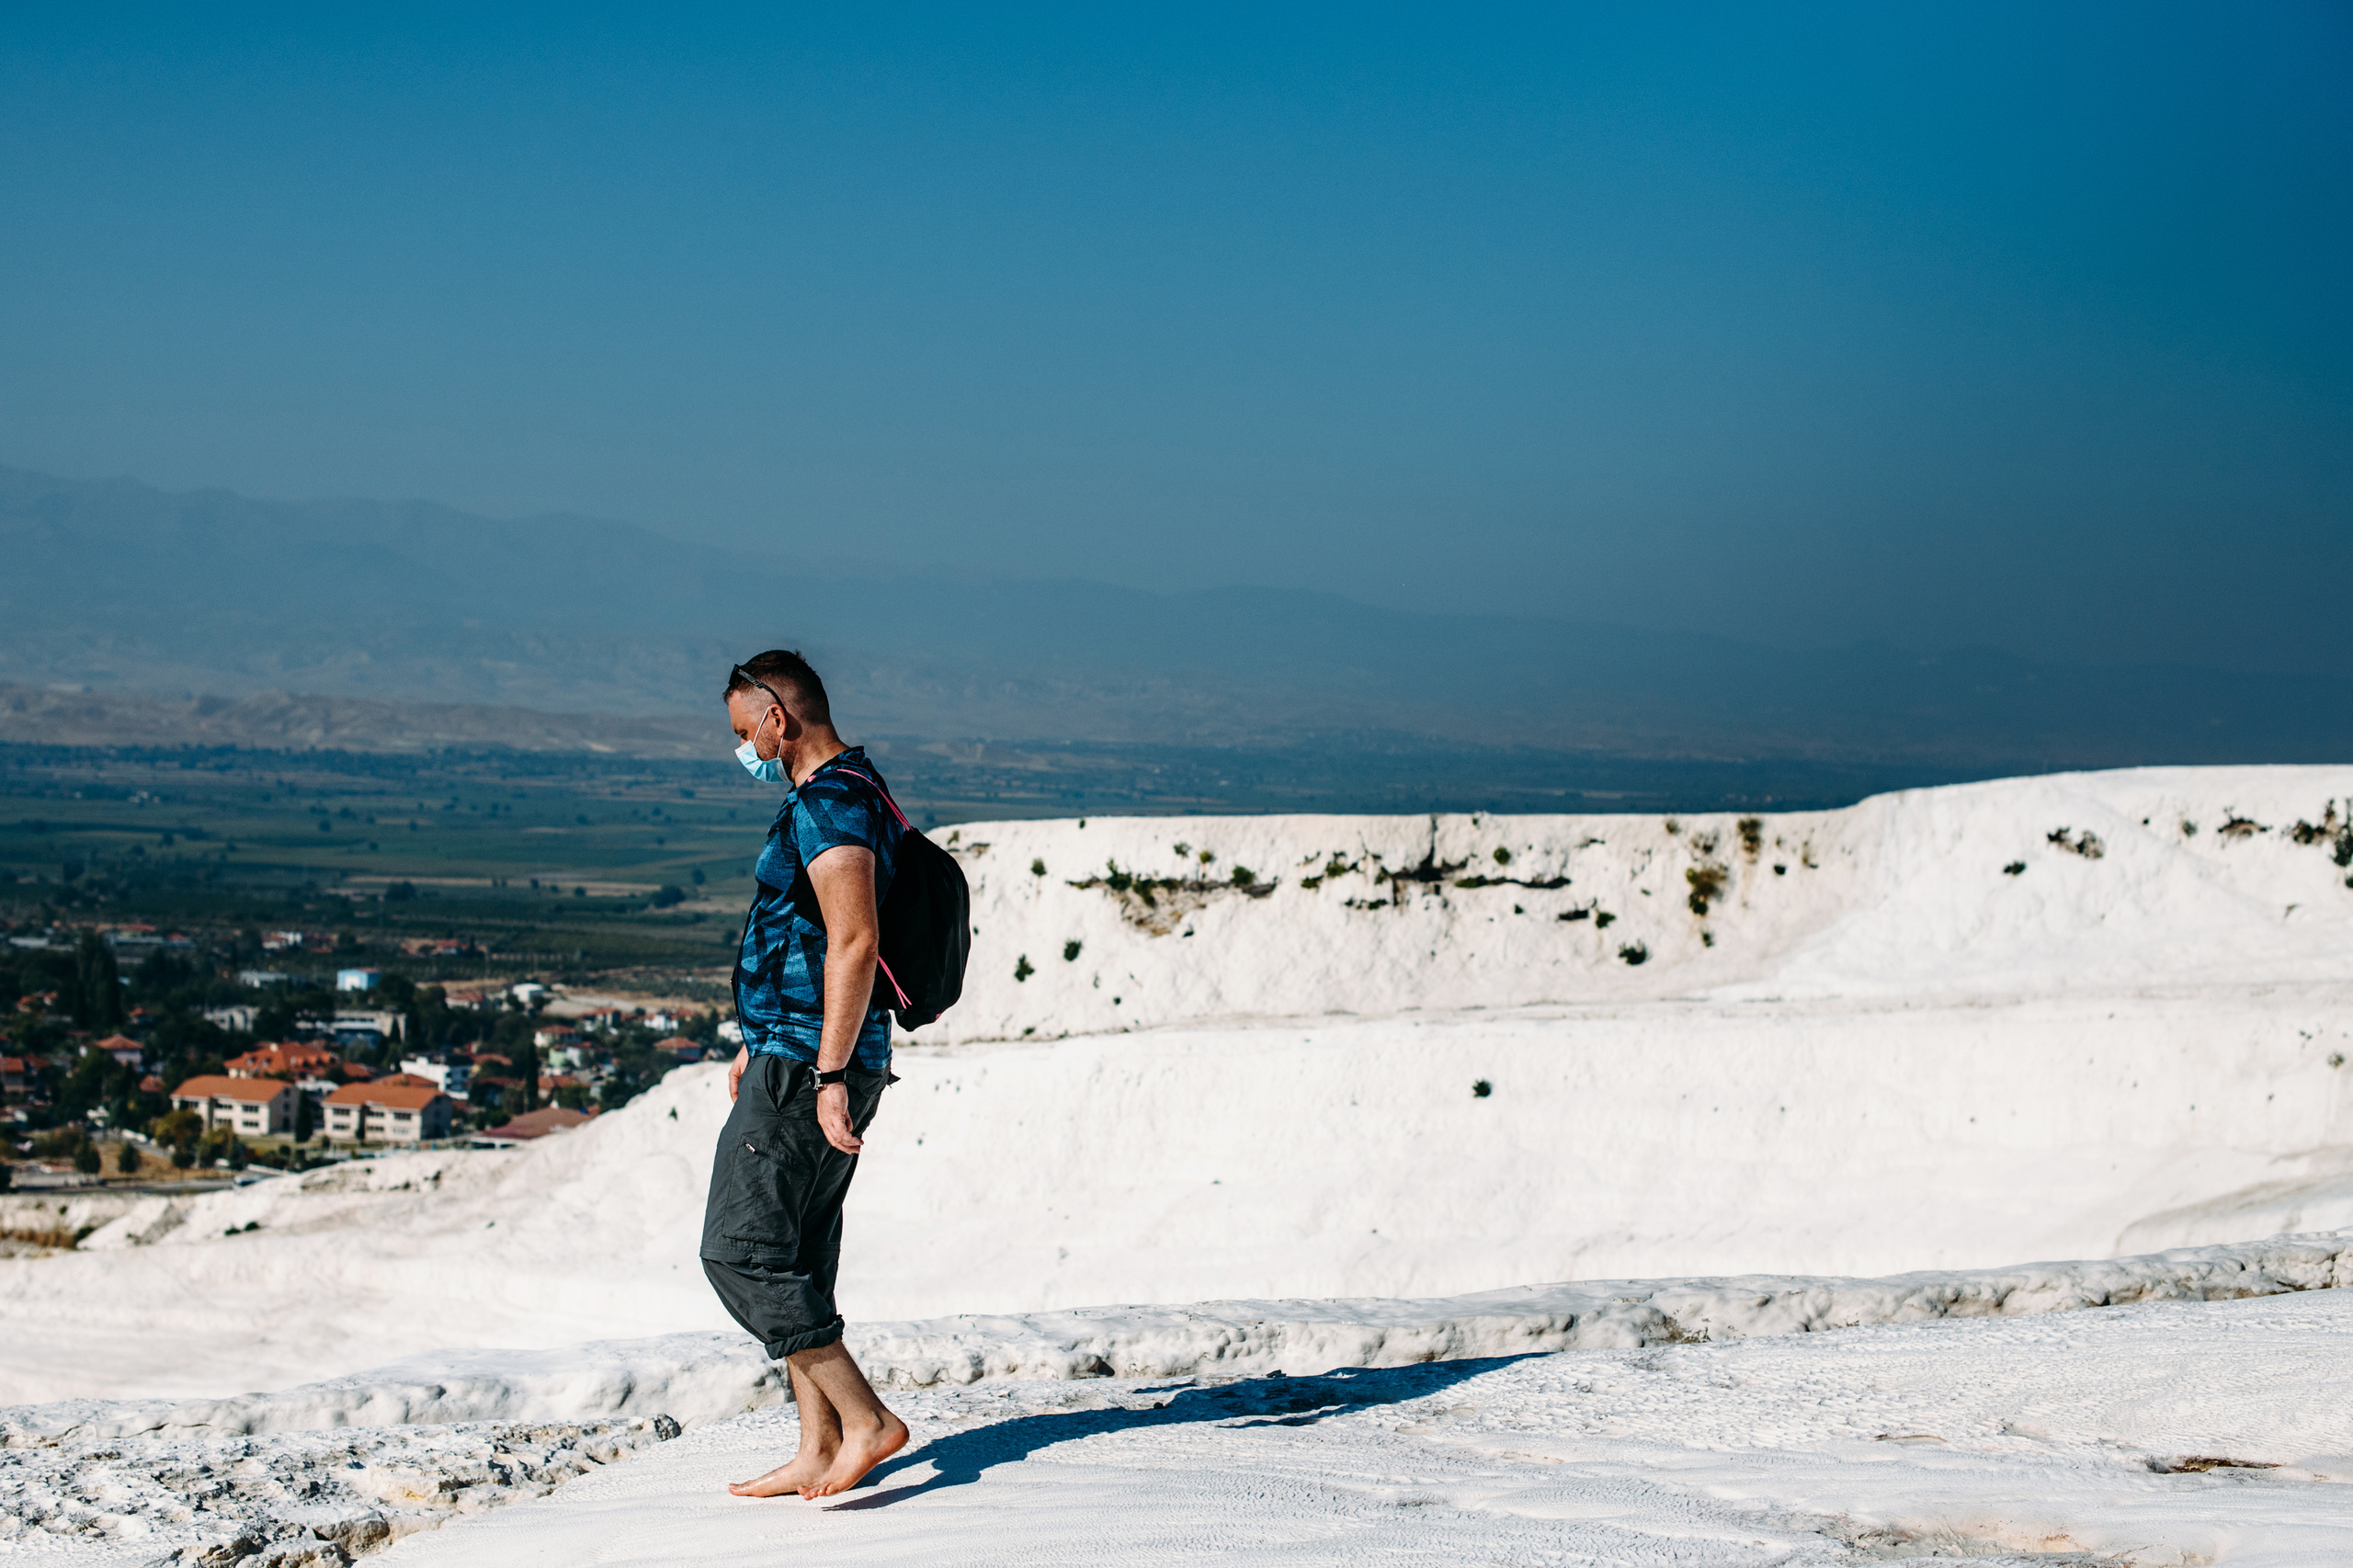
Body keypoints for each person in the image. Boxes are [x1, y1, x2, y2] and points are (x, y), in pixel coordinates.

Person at [702, 648, 909, 1500]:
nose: (743, 747)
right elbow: (813, 939)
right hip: (792, 1050)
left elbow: (855, 940)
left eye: (743, 731)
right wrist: (758, 1034)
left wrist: (825, 1072)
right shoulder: (853, 790)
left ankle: (865, 1421)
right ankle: (819, 1447)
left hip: (809, 1068)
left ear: (776, 718)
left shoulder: (830, 806)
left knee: (739, 1254)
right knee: (794, 1256)